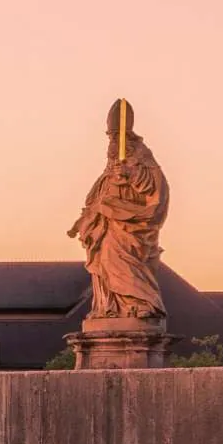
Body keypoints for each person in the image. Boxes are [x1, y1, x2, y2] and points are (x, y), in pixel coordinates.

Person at [68, 99, 170, 321]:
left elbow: (156, 191)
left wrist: (129, 175)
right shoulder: (111, 165)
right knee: (106, 264)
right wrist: (85, 219)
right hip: (108, 227)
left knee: (128, 263)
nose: (112, 141)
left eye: (115, 136)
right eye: (110, 136)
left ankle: (141, 302)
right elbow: (99, 195)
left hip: (129, 226)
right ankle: (109, 307)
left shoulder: (142, 159)